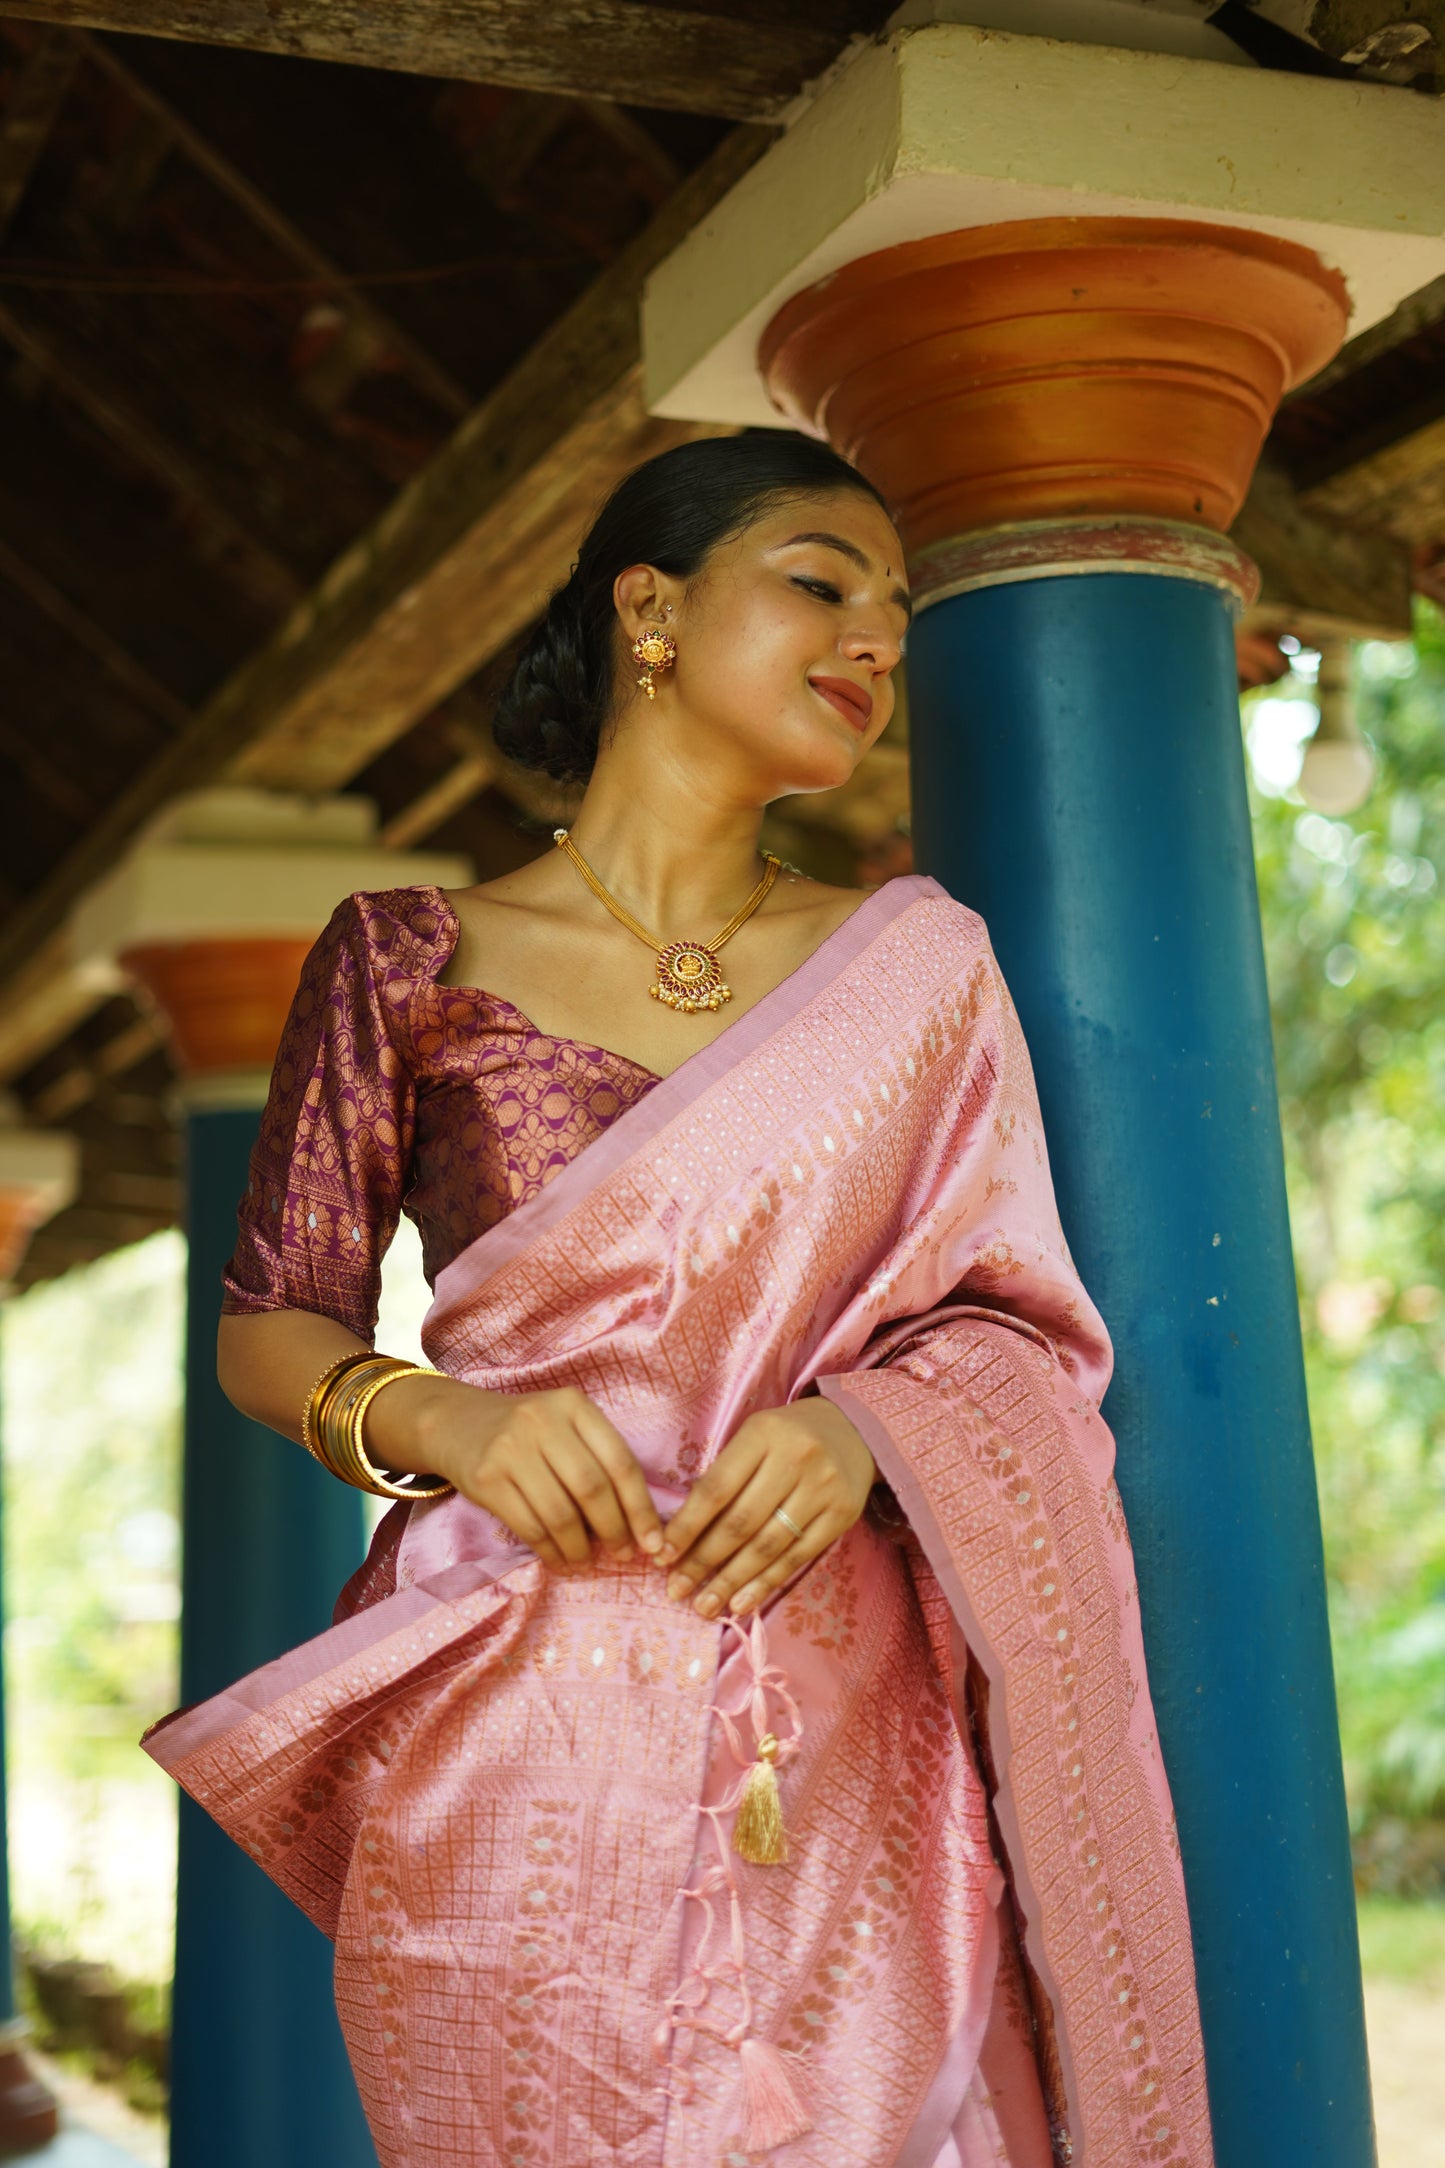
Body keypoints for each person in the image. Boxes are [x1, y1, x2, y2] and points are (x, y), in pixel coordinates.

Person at [145, 433, 1214, 2168]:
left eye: (896, 609)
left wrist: (866, 1431)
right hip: (515, 1721)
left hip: (845, 1722)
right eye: (820, 581)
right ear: (649, 606)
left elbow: (1015, 1318)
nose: (877, 637)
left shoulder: (916, 964)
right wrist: (447, 1422)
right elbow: (276, 1323)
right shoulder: (411, 957)